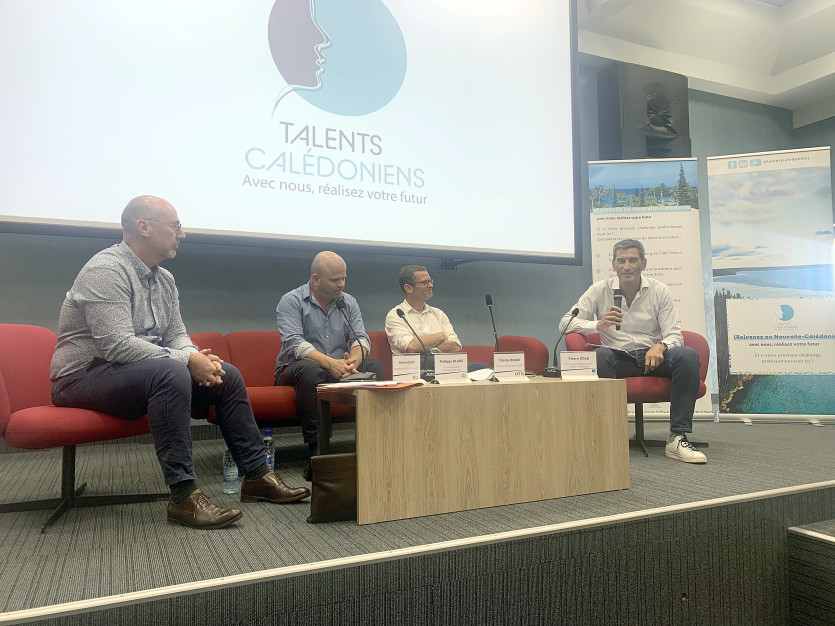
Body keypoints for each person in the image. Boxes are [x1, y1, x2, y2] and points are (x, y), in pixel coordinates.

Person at [50, 195, 310, 530]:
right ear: (144, 227)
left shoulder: (165, 279)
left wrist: (196, 357)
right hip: (82, 378)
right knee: (171, 371)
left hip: (136, 374)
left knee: (227, 375)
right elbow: (116, 346)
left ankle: (258, 477)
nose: (182, 234)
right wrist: (187, 359)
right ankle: (183, 496)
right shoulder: (106, 270)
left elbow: (176, 335)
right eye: (175, 226)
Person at [559, 238, 706, 464]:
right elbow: (565, 324)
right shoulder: (599, 290)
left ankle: (677, 438)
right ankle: (606, 436)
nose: (627, 266)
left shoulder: (659, 290)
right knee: (600, 356)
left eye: (633, 260)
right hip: (618, 358)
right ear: (613, 265)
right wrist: (597, 325)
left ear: (643, 264)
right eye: (621, 261)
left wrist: (661, 345)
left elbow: (675, 334)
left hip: (653, 358)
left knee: (687, 355)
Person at [274, 251, 385, 480]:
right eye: (335, 280)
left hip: (339, 367)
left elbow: (360, 338)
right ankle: (317, 453)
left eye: (343, 278)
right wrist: (331, 363)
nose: (341, 284)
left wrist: (353, 361)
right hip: (295, 368)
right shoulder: (292, 300)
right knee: (311, 370)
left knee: (374, 368)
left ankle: (375, 443)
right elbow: (294, 343)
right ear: (316, 279)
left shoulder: (348, 302)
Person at [384, 265, 489, 373]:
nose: (430, 285)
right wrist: (440, 336)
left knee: (484, 368)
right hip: (412, 369)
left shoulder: (438, 313)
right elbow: (411, 346)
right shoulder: (396, 315)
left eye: (430, 281)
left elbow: (455, 345)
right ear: (408, 288)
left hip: (445, 365)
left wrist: (428, 351)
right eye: (424, 282)